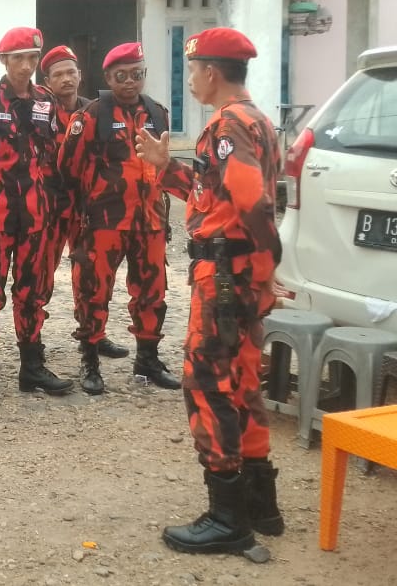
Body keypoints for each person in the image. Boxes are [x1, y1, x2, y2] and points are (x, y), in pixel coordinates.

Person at [136, 27, 283, 555]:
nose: (191, 78)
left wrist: (265, 267)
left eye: (193, 69)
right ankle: (262, 505)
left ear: (212, 72)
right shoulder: (258, 121)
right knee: (242, 380)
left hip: (224, 275)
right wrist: (164, 167)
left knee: (206, 384)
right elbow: (213, 195)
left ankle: (228, 518)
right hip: (240, 271)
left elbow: (252, 203)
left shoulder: (227, 125)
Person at [0, 28, 73, 412]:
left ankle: (31, 367)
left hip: (35, 214)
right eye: (18, 58)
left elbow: (52, 151)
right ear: (3, 60)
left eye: (32, 58)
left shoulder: (45, 100)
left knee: (31, 292)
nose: (26, 66)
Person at [57, 42, 180, 395]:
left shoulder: (157, 112)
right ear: (108, 77)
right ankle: (90, 360)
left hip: (151, 222)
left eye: (137, 74)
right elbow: (69, 167)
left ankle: (148, 360)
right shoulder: (91, 116)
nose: (130, 82)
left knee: (152, 293)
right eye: (121, 75)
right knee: (93, 292)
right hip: (103, 222)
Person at [39, 46, 91, 335]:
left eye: (71, 72)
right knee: (41, 274)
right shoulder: (40, 114)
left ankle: (91, 332)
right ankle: (33, 340)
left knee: (88, 271)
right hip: (50, 206)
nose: (66, 79)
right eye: (58, 74)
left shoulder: (92, 112)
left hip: (84, 206)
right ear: (48, 82)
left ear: (80, 75)